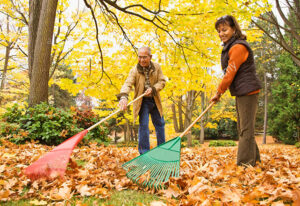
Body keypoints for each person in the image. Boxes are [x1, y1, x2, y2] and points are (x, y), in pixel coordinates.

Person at [210, 15, 262, 166]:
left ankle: (245, 164)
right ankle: (255, 160)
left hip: (248, 91)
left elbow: (229, 74)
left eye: (225, 29)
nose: (221, 34)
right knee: (245, 128)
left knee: (245, 129)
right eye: (219, 31)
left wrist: (219, 92)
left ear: (234, 29)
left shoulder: (238, 47)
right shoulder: (231, 46)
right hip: (241, 91)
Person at [118, 46, 166, 154]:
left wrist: (153, 89)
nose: (142, 60)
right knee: (143, 126)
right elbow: (127, 84)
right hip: (142, 102)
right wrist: (123, 97)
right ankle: (144, 153)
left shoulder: (157, 67)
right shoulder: (134, 70)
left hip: (155, 100)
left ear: (150, 57)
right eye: (140, 57)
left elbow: (162, 82)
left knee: (160, 124)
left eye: (144, 57)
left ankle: (162, 151)